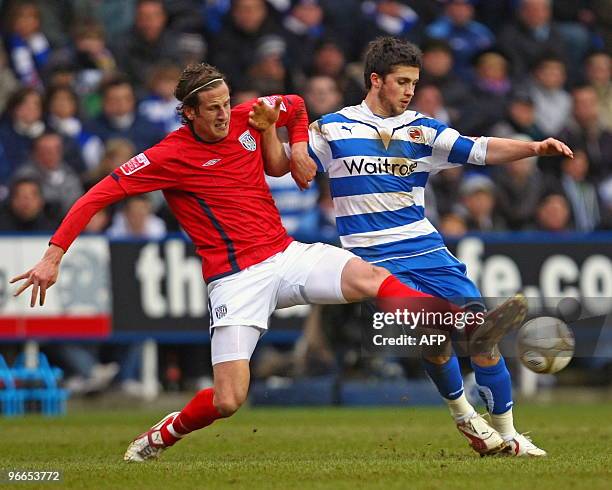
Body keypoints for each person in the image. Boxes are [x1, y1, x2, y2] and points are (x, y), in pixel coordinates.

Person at [10, 63, 508, 462]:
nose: (226, 116)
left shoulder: (250, 114)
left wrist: (293, 147)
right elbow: (97, 194)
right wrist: (54, 255)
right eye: (213, 109)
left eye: (228, 104)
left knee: (372, 277)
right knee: (229, 400)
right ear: (188, 113)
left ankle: (448, 317)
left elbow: (292, 104)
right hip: (235, 281)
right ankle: (163, 434)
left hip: (285, 254)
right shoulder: (166, 156)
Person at [299, 37, 573, 457]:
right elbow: (293, 167)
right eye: (402, 81)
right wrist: (267, 132)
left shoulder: (422, 129)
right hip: (374, 264)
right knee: (436, 339)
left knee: (482, 338)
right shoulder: (332, 128)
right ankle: (465, 415)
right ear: (376, 80)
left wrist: (533, 147)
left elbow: (479, 148)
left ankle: (508, 434)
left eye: (414, 82)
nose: (410, 90)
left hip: (429, 253)